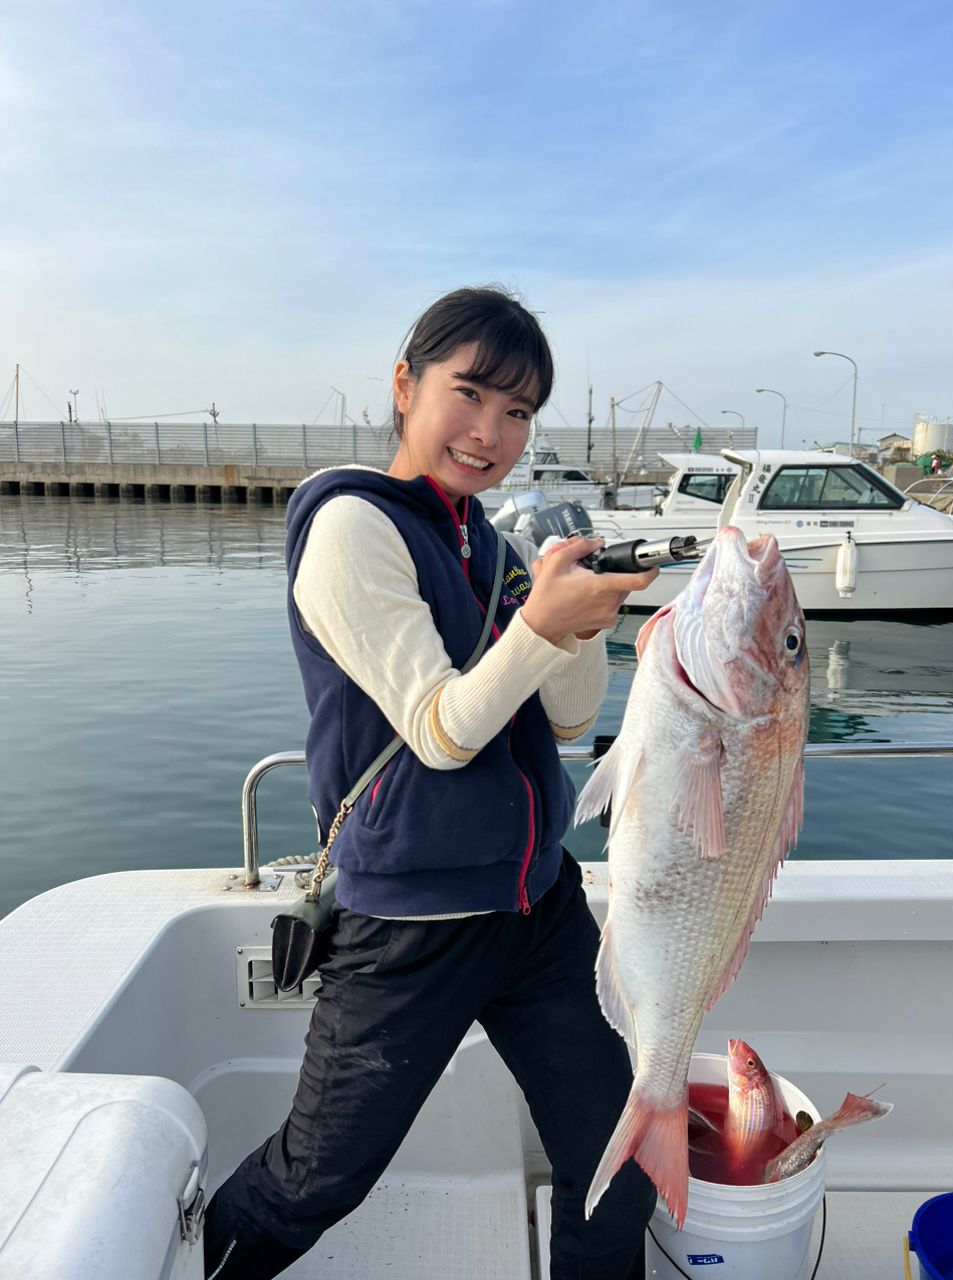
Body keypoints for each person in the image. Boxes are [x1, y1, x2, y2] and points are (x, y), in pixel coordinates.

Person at [203, 286, 660, 1279]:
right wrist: (541, 620)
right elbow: (442, 730)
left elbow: (570, 719)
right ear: (405, 385)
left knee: (621, 1167)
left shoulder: (481, 539)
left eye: (519, 411)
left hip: (538, 906)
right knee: (316, 1176)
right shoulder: (352, 526)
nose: (492, 431)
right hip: (412, 925)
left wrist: (581, 619)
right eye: (472, 393)